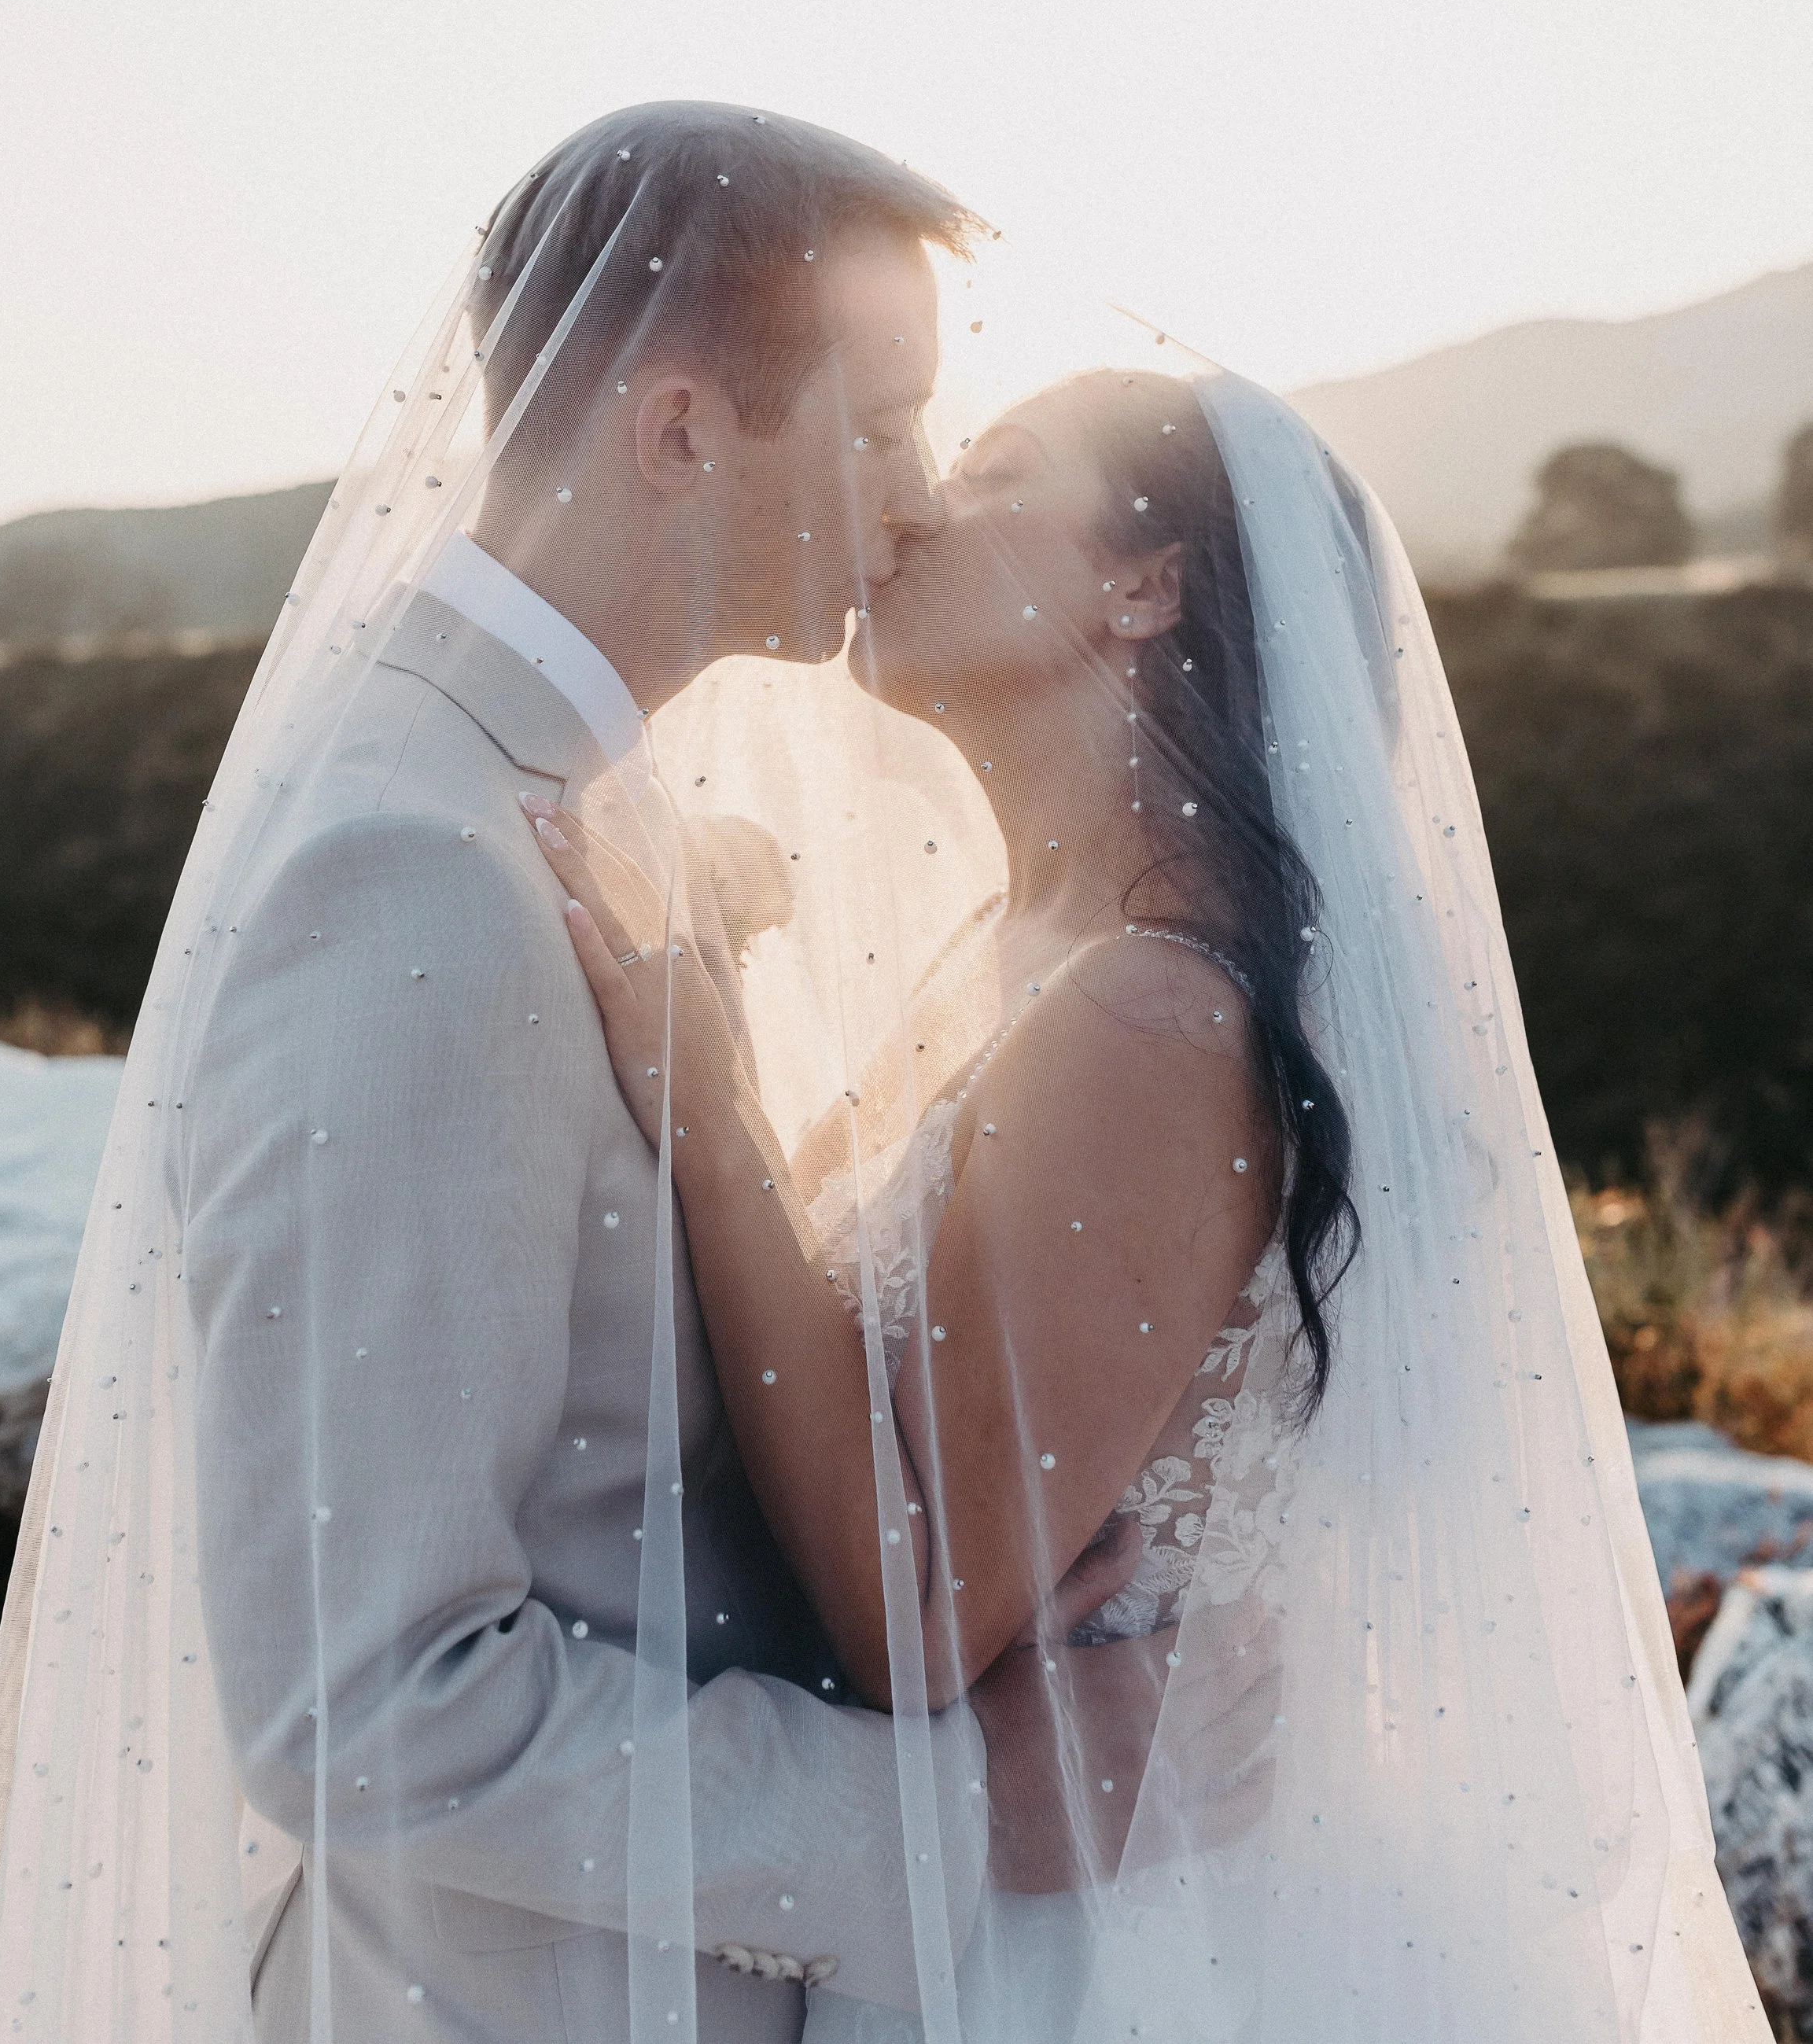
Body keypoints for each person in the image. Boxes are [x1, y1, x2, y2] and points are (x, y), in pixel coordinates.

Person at [0, 108, 1168, 2044]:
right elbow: (364, 1700)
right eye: (873, 428)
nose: (911, 500)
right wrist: (945, 1811)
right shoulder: (405, 878)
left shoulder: (569, 796)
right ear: (676, 431)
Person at [529, 352, 1767, 2040]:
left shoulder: (1146, 1016)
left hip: (1119, 1950)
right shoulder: (1017, 961)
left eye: (993, 474)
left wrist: (711, 1110)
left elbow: (912, 1604)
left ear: (1144, 582)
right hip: (1017, 1895)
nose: (903, 510)